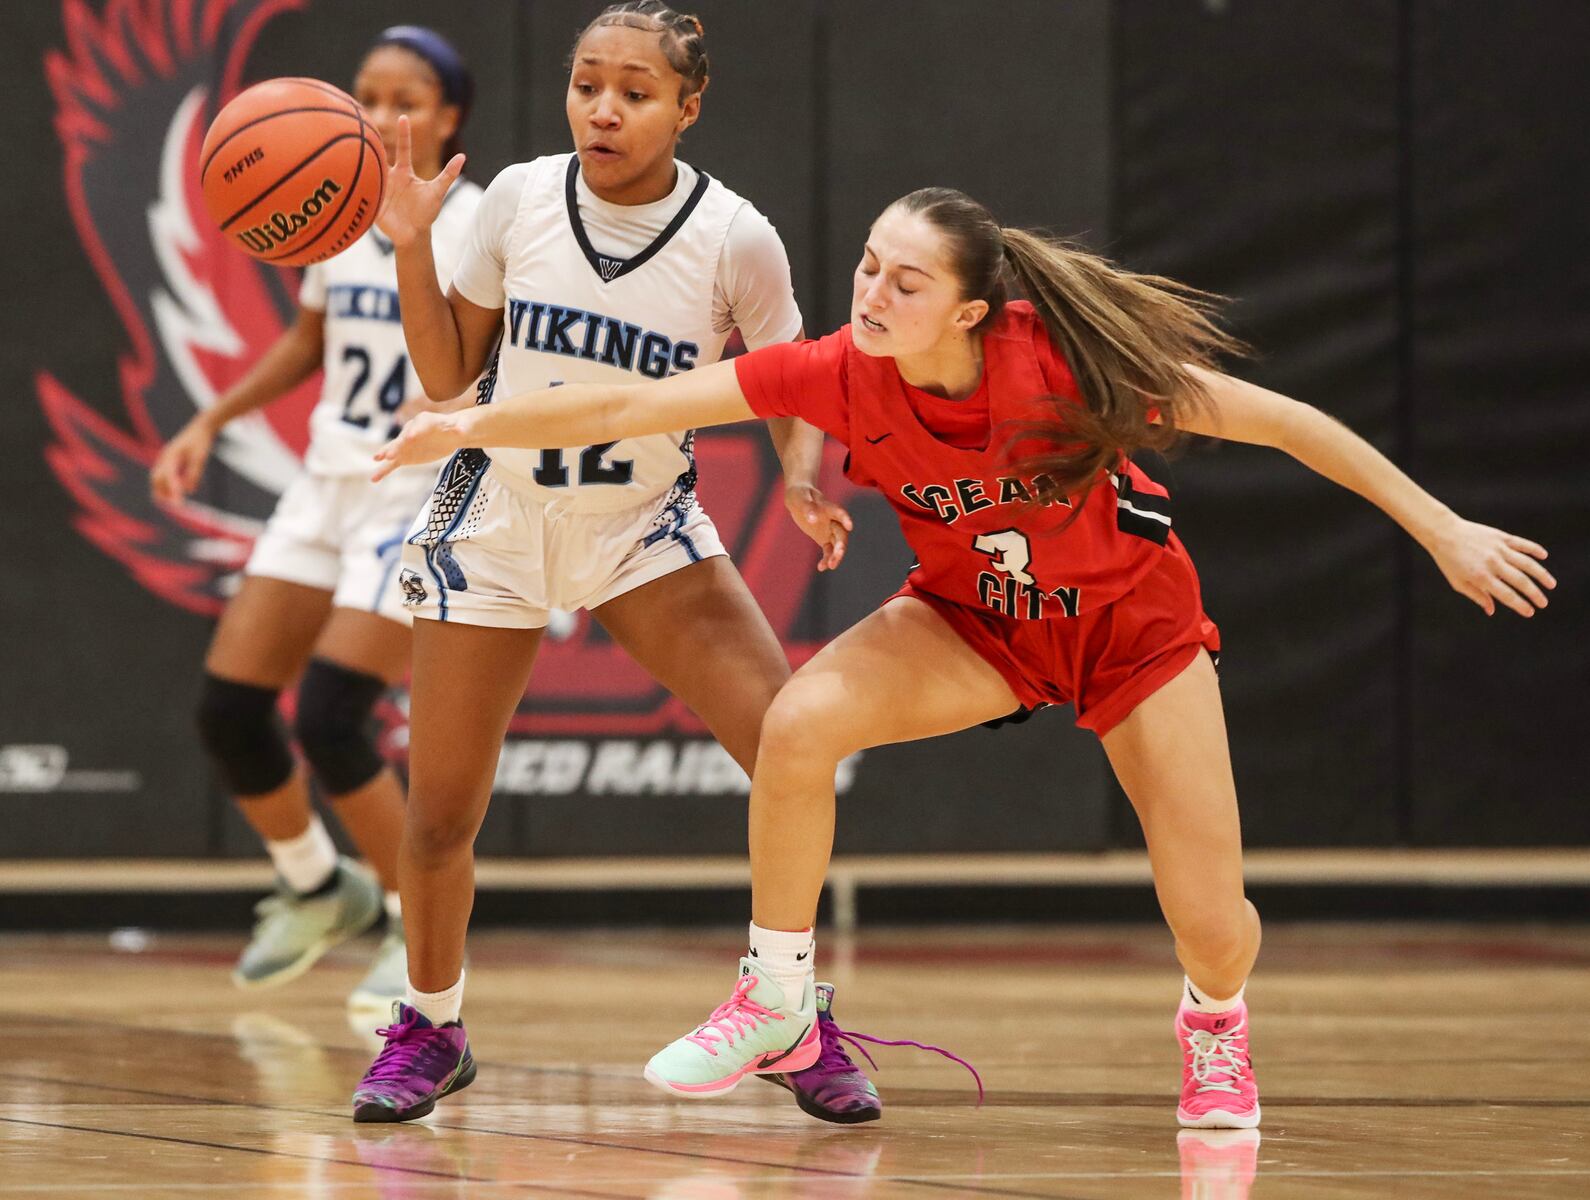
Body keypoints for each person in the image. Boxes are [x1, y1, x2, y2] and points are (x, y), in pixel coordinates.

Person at [374, 187, 1556, 1128]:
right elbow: (619, 408)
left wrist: (1442, 528)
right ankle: (777, 1000)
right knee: (799, 722)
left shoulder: (1064, 372)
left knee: (1214, 918)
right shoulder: (844, 369)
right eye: (868, 267)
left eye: (906, 279)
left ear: (972, 313)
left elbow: (1286, 422)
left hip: (1129, 632)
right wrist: (466, 422)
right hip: (976, 619)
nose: (873, 291)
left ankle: (1215, 1021)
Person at [348, 3, 878, 1125]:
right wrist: (408, 245)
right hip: (496, 517)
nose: (603, 107)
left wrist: (798, 474)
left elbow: (790, 384)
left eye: (634, 91)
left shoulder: (736, 236)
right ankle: (429, 1025)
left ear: (688, 107)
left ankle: (786, 1014)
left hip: (641, 528)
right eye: (588, 83)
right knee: (439, 814)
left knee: (790, 747)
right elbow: (450, 382)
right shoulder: (518, 201)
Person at [150, 26, 482, 1014]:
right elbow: (309, 340)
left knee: (333, 714)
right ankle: (312, 886)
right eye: (367, 93)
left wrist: (459, 400)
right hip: (329, 478)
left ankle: (408, 927)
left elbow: (505, 360)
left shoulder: (473, 225)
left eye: (405, 98)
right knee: (229, 711)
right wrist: (212, 417)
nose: (381, 115)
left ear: (450, 115)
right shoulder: (329, 207)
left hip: (418, 489)